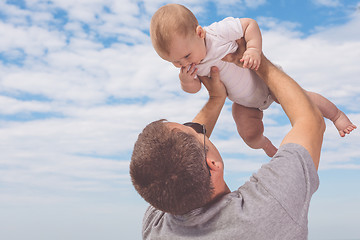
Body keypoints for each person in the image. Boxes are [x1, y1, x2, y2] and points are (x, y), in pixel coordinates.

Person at [130, 38, 325, 239]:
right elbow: (310, 121)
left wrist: (216, 99)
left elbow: (178, 159)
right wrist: (258, 61)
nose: (200, 129)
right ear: (213, 165)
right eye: (197, 132)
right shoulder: (266, 208)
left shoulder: (156, 223)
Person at [149, 3, 356, 157]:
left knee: (303, 100)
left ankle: (337, 116)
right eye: (174, 62)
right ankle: (264, 144)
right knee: (248, 134)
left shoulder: (218, 33)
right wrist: (186, 81)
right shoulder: (191, 65)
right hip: (243, 102)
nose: (183, 64)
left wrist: (254, 50)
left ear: (199, 33)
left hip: (265, 82)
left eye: (185, 56)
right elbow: (194, 88)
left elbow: (249, 25)